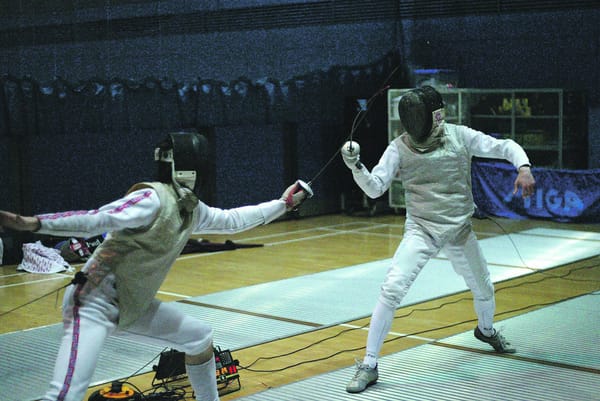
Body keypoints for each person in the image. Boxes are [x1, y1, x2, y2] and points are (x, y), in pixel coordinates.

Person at [0, 131, 312, 401]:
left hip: (132, 305)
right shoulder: (150, 199)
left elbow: (233, 220)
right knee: (66, 393)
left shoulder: (191, 209)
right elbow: (98, 218)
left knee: (199, 338)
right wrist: (33, 223)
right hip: (92, 303)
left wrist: (282, 205)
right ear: (189, 167)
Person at [340, 85, 536, 393]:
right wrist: (356, 166)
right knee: (391, 290)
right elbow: (375, 187)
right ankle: (369, 364)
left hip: (459, 230)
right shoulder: (398, 147)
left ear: (435, 116)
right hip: (422, 229)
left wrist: (523, 167)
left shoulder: (460, 136)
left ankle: (486, 331)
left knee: (484, 288)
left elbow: (504, 146)